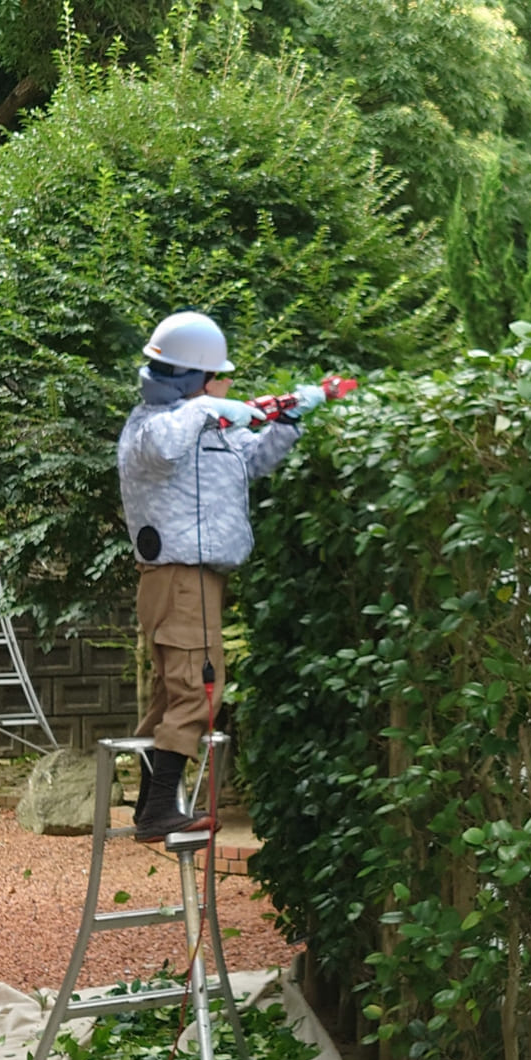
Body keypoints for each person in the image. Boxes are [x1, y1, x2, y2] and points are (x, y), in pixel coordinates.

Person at [117, 311, 324, 840]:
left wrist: (288, 421)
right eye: (219, 377)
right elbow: (165, 444)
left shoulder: (203, 423)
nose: (229, 382)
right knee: (198, 693)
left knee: (173, 695)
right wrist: (211, 408)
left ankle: (149, 806)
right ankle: (161, 808)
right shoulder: (151, 427)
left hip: (195, 580)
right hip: (179, 577)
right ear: (195, 380)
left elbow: (251, 462)